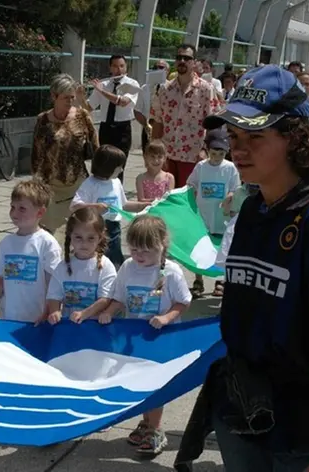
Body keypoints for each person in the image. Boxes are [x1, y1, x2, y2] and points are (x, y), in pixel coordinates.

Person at [197, 65, 309, 471]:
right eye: (234, 137)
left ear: (295, 138)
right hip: (241, 416)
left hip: (299, 437)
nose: (238, 150)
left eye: (255, 137)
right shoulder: (253, 208)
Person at [96, 214, 191, 456]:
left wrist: (166, 318)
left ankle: (156, 428)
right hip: (135, 338)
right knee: (139, 382)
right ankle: (146, 421)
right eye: (135, 249)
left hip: (161, 339)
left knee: (155, 385)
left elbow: (183, 302)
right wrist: (109, 312)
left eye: (145, 251)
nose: (139, 256)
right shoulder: (128, 267)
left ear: (162, 245)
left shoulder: (171, 272)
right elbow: (119, 297)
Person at [0, 180, 62, 322]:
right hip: (9, 316)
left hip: (38, 318)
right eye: (12, 207)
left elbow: (53, 284)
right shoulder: (6, 244)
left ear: (40, 212)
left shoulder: (47, 244)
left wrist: (49, 311)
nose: (14, 213)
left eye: (22, 209)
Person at [36, 74, 96, 242]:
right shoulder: (43, 120)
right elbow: (37, 152)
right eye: (65, 98)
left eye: (72, 97)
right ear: (54, 96)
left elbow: (95, 145)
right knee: (46, 227)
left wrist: (100, 177)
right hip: (51, 182)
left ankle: (76, 262)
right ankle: (46, 262)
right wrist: (36, 180)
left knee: (79, 226)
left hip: (77, 181)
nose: (70, 101)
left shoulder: (82, 116)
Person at [70, 145, 147, 267]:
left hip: (114, 229)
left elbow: (124, 204)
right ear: (108, 167)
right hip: (95, 229)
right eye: (119, 167)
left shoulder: (116, 183)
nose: (121, 170)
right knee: (95, 261)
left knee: (115, 260)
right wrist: (94, 207)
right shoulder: (90, 184)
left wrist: (144, 205)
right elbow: (74, 206)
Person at [151, 44, 215, 188]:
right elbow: (158, 121)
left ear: (194, 62)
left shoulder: (205, 89)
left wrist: (205, 150)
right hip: (166, 155)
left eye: (187, 58)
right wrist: (153, 150)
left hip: (192, 156)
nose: (182, 61)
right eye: (179, 57)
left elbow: (212, 123)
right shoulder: (164, 89)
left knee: (187, 199)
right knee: (165, 199)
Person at [40, 207, 117, 325]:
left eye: (90, 238)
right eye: (78, 237)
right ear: (70, 236)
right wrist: (55, 311)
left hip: (95, 326)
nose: (84, 243)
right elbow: (54, 295)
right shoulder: (62, 266)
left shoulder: (105, 266)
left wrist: (84, 314)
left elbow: (105, 299)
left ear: (100, 238)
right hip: (69, 326)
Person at [187, 127, 239, 298]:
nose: (217, 158)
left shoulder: (230, 168)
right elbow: (191, 184)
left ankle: (220, 280)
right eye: (213, 154)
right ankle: (198, 280)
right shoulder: (201, 167)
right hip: (203, 215)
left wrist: (229, 197)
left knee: (221, 249)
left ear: (227, 152)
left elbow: (235, 188)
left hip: (221, 217)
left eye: (221, 154)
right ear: (207, 150)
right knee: (201, 249)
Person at [82, 55, 139, 183]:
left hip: (122, 129)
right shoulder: (103, 84)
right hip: (106, 127)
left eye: (121, 66)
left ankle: (116, 194)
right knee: (103, 163)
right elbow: (89, 107)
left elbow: (122, 102)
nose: (118, 69)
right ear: (110, 67)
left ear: (126, 67)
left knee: (119, 165)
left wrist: (102, 92)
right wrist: (80, 95)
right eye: (115, 66)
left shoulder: (132, 84)